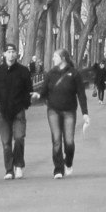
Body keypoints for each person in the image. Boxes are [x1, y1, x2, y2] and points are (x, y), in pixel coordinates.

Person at [41, 48, 89, 178]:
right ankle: (58, 169)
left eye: (55, 57)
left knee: (69, 141)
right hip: (53, 111)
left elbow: (81, 94)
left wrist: (85, 113)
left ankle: (68, 161)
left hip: (69, 111)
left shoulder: (74, 74)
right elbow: (43, 91)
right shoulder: (51, 74)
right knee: (56, 139)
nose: (53, 59)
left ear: (63, 59)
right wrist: (40, 97)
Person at [0, 43, 33, 180]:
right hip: (3, 111)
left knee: (19, 138)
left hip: (18, 110)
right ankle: (9, 169)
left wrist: (25, 104)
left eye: (13, 51)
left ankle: (18, 165)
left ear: (16, 54)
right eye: (8, 52)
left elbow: (28, 90)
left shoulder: (23, 71)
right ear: (4, 54)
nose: (11, 54)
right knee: (6, 142)